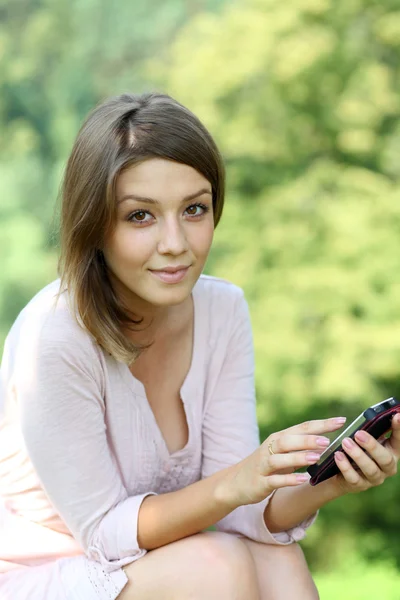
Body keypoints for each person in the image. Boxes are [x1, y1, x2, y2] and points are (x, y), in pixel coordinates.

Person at [0, 92, 398, 600]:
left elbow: (239, 510)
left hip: (165, 564)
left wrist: (333, 480)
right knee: (216, 563)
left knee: (276, 558)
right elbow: (104, 534)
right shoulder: (54, 335)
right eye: (140, 216)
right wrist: (235, 482)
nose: (176, 243)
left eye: (194, 209)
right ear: (95, 224)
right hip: (47, 572)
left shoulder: (222, 309)